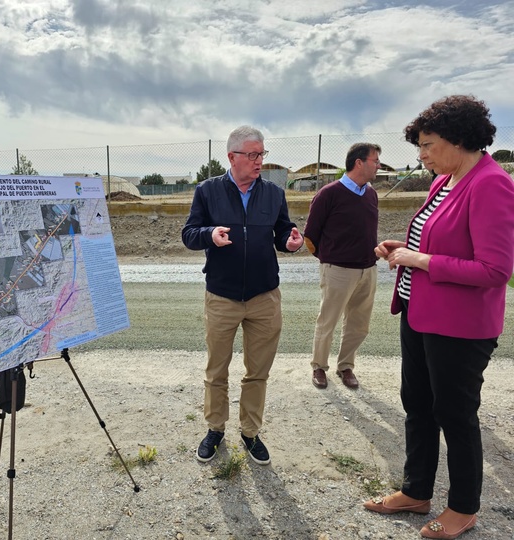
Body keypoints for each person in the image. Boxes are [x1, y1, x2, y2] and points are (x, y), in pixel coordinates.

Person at [364, 95, 514, 539]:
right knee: (419, 406)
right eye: (420, 147)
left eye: (428, 145)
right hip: (420, 314)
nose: (422, 155)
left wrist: (422, 259)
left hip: (459, 327)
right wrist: (402, 250)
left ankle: (464, 507)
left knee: (455, 413)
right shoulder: (444, 181)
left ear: (459, 138)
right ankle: (416, 491)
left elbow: (496, 270)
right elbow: (439, 242)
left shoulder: (491, 183)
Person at [182, 125, 303, 465]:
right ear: (232, 157)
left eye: (262, 154)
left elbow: (282, 232)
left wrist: (289, 243)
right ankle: (215, 429)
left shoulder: (273, 194)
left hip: (264, 297)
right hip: (222, 296)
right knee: (216, 370)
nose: (259, 161)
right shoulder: (207, 191)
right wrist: (210, 235)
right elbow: (189, 234)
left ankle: (250, 432)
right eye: (252, 155)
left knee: (257, 371)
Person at [304, 143, 381, 389]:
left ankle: (346, 366)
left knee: (359, 324)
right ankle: (319, 367)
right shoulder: (329, 193)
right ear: (359, 162)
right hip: (337, 270)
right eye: (375, 161)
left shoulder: (371, 193)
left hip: (368, 270)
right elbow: (310, 237)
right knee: (328, 320)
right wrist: (329, 261)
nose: (378, 165)